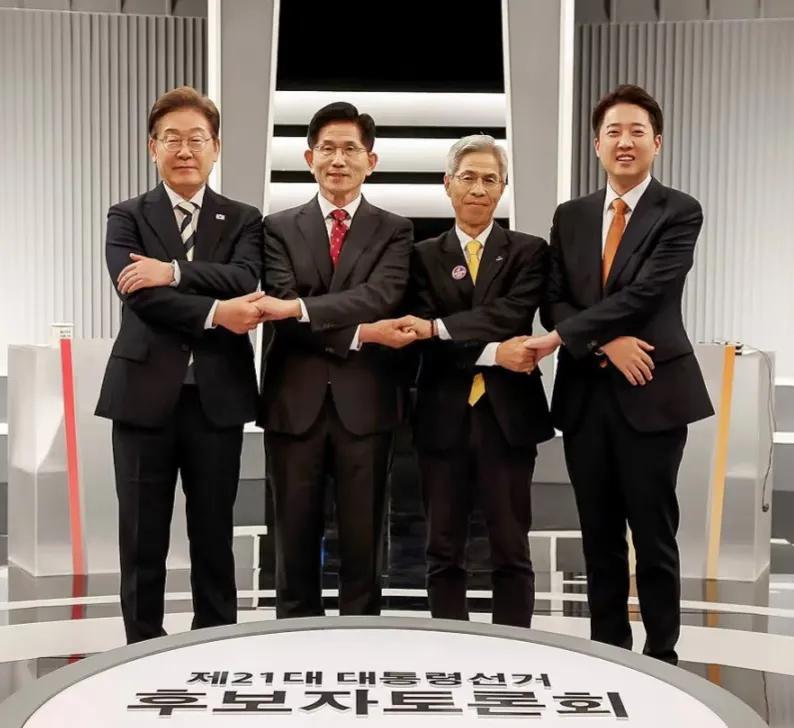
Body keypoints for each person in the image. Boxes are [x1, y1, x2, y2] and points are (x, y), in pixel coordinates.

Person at [525, 84, 713, 663]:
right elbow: (553, 298)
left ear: (657, 142)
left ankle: (662, 657)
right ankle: (609, 652)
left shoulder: (678, 210)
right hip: (587, 394)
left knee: (653, 535)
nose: (624, 142)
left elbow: (649, 291)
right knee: (599, 535)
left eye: (636, 132)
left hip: (651, 389)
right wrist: (602, 342)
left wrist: (568, 337)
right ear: (596, 145)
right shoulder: (572, 215)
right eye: (613, 132)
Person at [95, 86, 265, 643]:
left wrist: (171, 271)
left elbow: (244, 277)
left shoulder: (243, 218)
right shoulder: (127, 215)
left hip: (216, 397)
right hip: (142, 395)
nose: (185, 150)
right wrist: (217, 312)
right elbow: (138, 295)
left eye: (197, 138)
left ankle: (214, 642)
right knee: (141, 533)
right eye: (172, 139)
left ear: (216, 147)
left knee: (213, 532)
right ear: (153, 147)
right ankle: (141, 644)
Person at [255, 102, 414, 618]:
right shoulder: (276, 227)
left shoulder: (395, 230)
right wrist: (362, 333)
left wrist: (303, 308)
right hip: (293, 403)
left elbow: (382, 296)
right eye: (327, 148)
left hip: (366, 404)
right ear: (309, 158)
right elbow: (279, 309)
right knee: (292, 539)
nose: (338, 159)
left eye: (350, 149)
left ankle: (360, 637)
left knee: (364, 541)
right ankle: (292, 640)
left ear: (371, 161)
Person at [391, 135, 554, 627]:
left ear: (503, 187)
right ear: (448, 184)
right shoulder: (420, 256)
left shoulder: (529, 251)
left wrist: (440, 327)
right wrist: (494, 352)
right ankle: (449, 644)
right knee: (442, 549)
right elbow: (419, 335)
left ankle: (515, 646)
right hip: (442, 415)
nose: (478, 189)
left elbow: (512, 315)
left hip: (509, 417)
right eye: (468, 178)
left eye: (489, 179)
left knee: (511, 546)